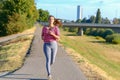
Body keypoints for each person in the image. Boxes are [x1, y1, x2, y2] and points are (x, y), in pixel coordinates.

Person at [41, 15, 62, 80]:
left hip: (54, 45)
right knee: (48, 60)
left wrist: (52, 34)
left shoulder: (56, 28)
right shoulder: (44, 28)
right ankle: (49, 74)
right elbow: (42, 36)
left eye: (52, 19)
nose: (51, 20)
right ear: (48, 20)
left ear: (53, 20)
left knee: (52, 61)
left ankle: (48, 66)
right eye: (49, 19)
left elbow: (58, 37)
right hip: (46, 45)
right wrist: (43, 37)